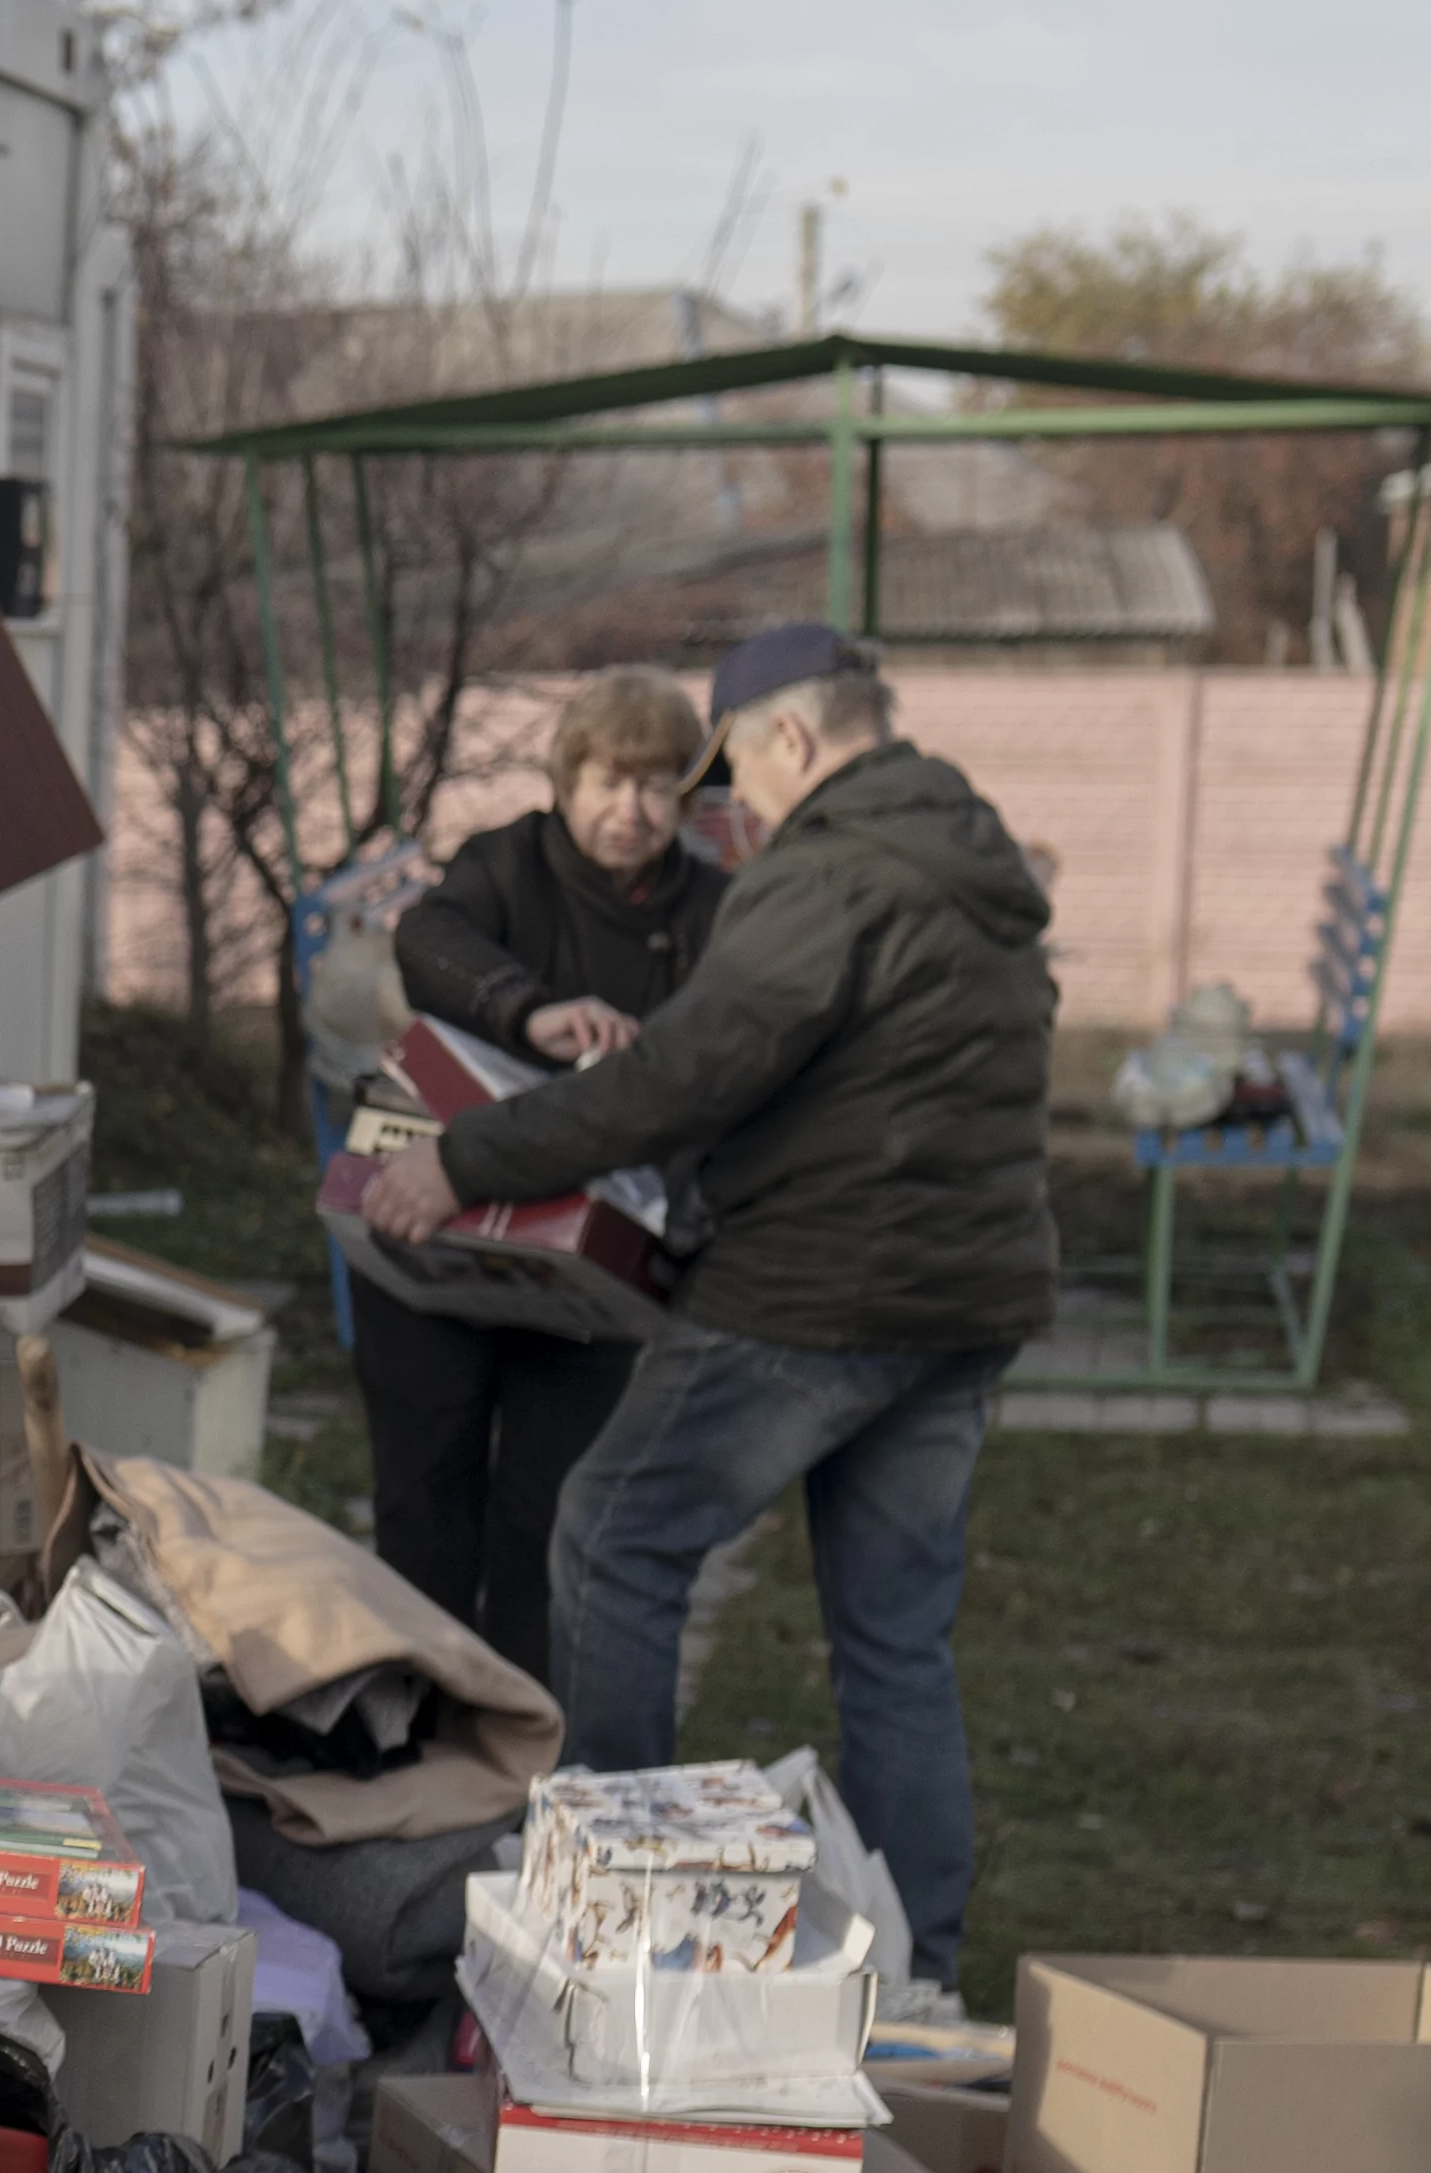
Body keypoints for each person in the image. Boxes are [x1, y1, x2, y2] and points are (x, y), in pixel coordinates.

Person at [352, 621, 1055, 2002]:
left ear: (790, 737)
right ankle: (920, 1980)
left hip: (824, 1291)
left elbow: (681, 1078)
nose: (734, 806)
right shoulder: (968, 860)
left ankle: (605, 1929)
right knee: (896, 1641)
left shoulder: (828, 877)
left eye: (734, 773)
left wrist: (460, 1162)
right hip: (964, 1300)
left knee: (613, 1535)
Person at [347, 667, 725, 1683]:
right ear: (564, 778)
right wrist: (527, 1011)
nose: (627, 811)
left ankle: (519, 1738)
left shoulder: (713, 911)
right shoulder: (504, 863)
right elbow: (425, 937)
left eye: (654, 788)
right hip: (431, 1241)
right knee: (423, 1498)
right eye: (606, 781)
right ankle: (414, 1729)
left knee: (547, 1515)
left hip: (587, 1273)